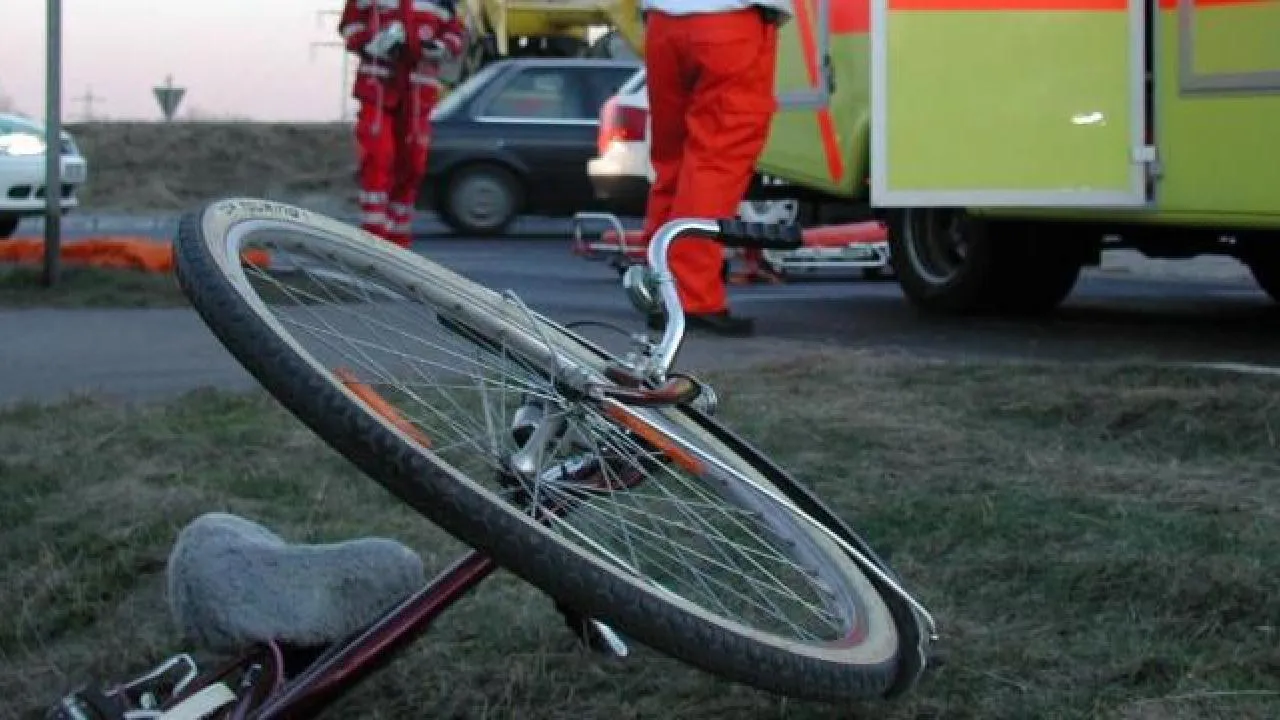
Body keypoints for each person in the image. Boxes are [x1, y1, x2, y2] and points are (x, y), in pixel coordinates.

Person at [639, 0, 791, 337]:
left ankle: (659, 289)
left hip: (663, 23)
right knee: (716, 162)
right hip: (731, 24)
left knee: (672, 164)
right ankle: (691, 298)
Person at [339, 0, 466, 248]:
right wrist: (371, 43)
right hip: (379, 89)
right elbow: (349, 26)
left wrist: (441, 47)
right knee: (378, 157)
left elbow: (456, 32)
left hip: (418, 94)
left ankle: (398, 239)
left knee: (413, 164)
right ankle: (374, 234)